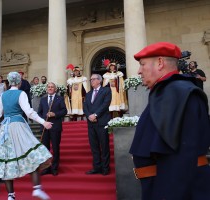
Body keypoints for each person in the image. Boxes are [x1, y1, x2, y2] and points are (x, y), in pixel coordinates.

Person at [129, 42, 210, 200]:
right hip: (160, 185)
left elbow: (184, 158)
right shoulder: (166, 92)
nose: (139, 71)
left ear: (160, 63)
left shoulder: (181, 93)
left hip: (174, 189)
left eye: (142, 64)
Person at [0, 72, 53, 200]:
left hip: (5, 128)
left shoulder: (3, 95)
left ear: (9, 82)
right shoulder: (21, 93)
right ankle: (37, 188)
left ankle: (11, 195)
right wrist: (44, 122)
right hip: (18, 126)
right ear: (19, 82)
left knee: (6, 160)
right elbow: (29, 112)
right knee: (32, 155)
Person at [83, 74, 111, 176]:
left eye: (93, 79)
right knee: (94, 146)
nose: (91, 81)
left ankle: (105, 168)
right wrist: (89, 116)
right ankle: (96, 167)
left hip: (102, 122)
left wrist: (95, 115)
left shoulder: (106, 91)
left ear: (99, 81)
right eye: (90, 80)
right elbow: (85, 106)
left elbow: (105, 104)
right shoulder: (88, 93)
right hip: (91, 123)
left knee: (104, 146)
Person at [38, 82, 67, 176]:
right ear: (47, 89)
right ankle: (46, 168)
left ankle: (54, 168)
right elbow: (39, 113)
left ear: (55, 89)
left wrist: (55, 114)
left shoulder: (60, 98)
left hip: (55, 127)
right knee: (45, 148)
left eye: (52, 87)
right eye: (49, 87)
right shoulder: (43, 99)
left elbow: (64, 111)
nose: (50, 88)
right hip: (45, 127)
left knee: (55, 147)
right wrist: (43, 121)